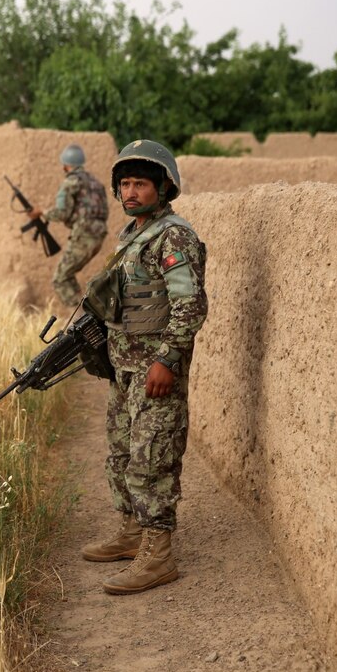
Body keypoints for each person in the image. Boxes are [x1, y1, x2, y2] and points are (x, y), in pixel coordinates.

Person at [80, 139, 208, 595]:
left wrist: (168, 360)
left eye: (140, 183)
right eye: (125, 184)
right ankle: (132, 534)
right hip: (126, 368)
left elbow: (189, 304)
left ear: (163, 187)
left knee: (152, 459)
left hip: (155, 370)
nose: (130, 191)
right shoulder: (131, 235)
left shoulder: (173, 235)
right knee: (121, 453)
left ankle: (159, 555)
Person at [26, 144, 109, 308]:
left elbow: (61, 213)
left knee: (60, 279)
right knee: (67, 276)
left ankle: (83, 319)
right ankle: (87, 314)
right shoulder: (96, 183)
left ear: (65, 165)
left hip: (83, 236)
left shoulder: (70, 183)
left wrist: (40, 212)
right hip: (98, 235)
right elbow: (103, 212)